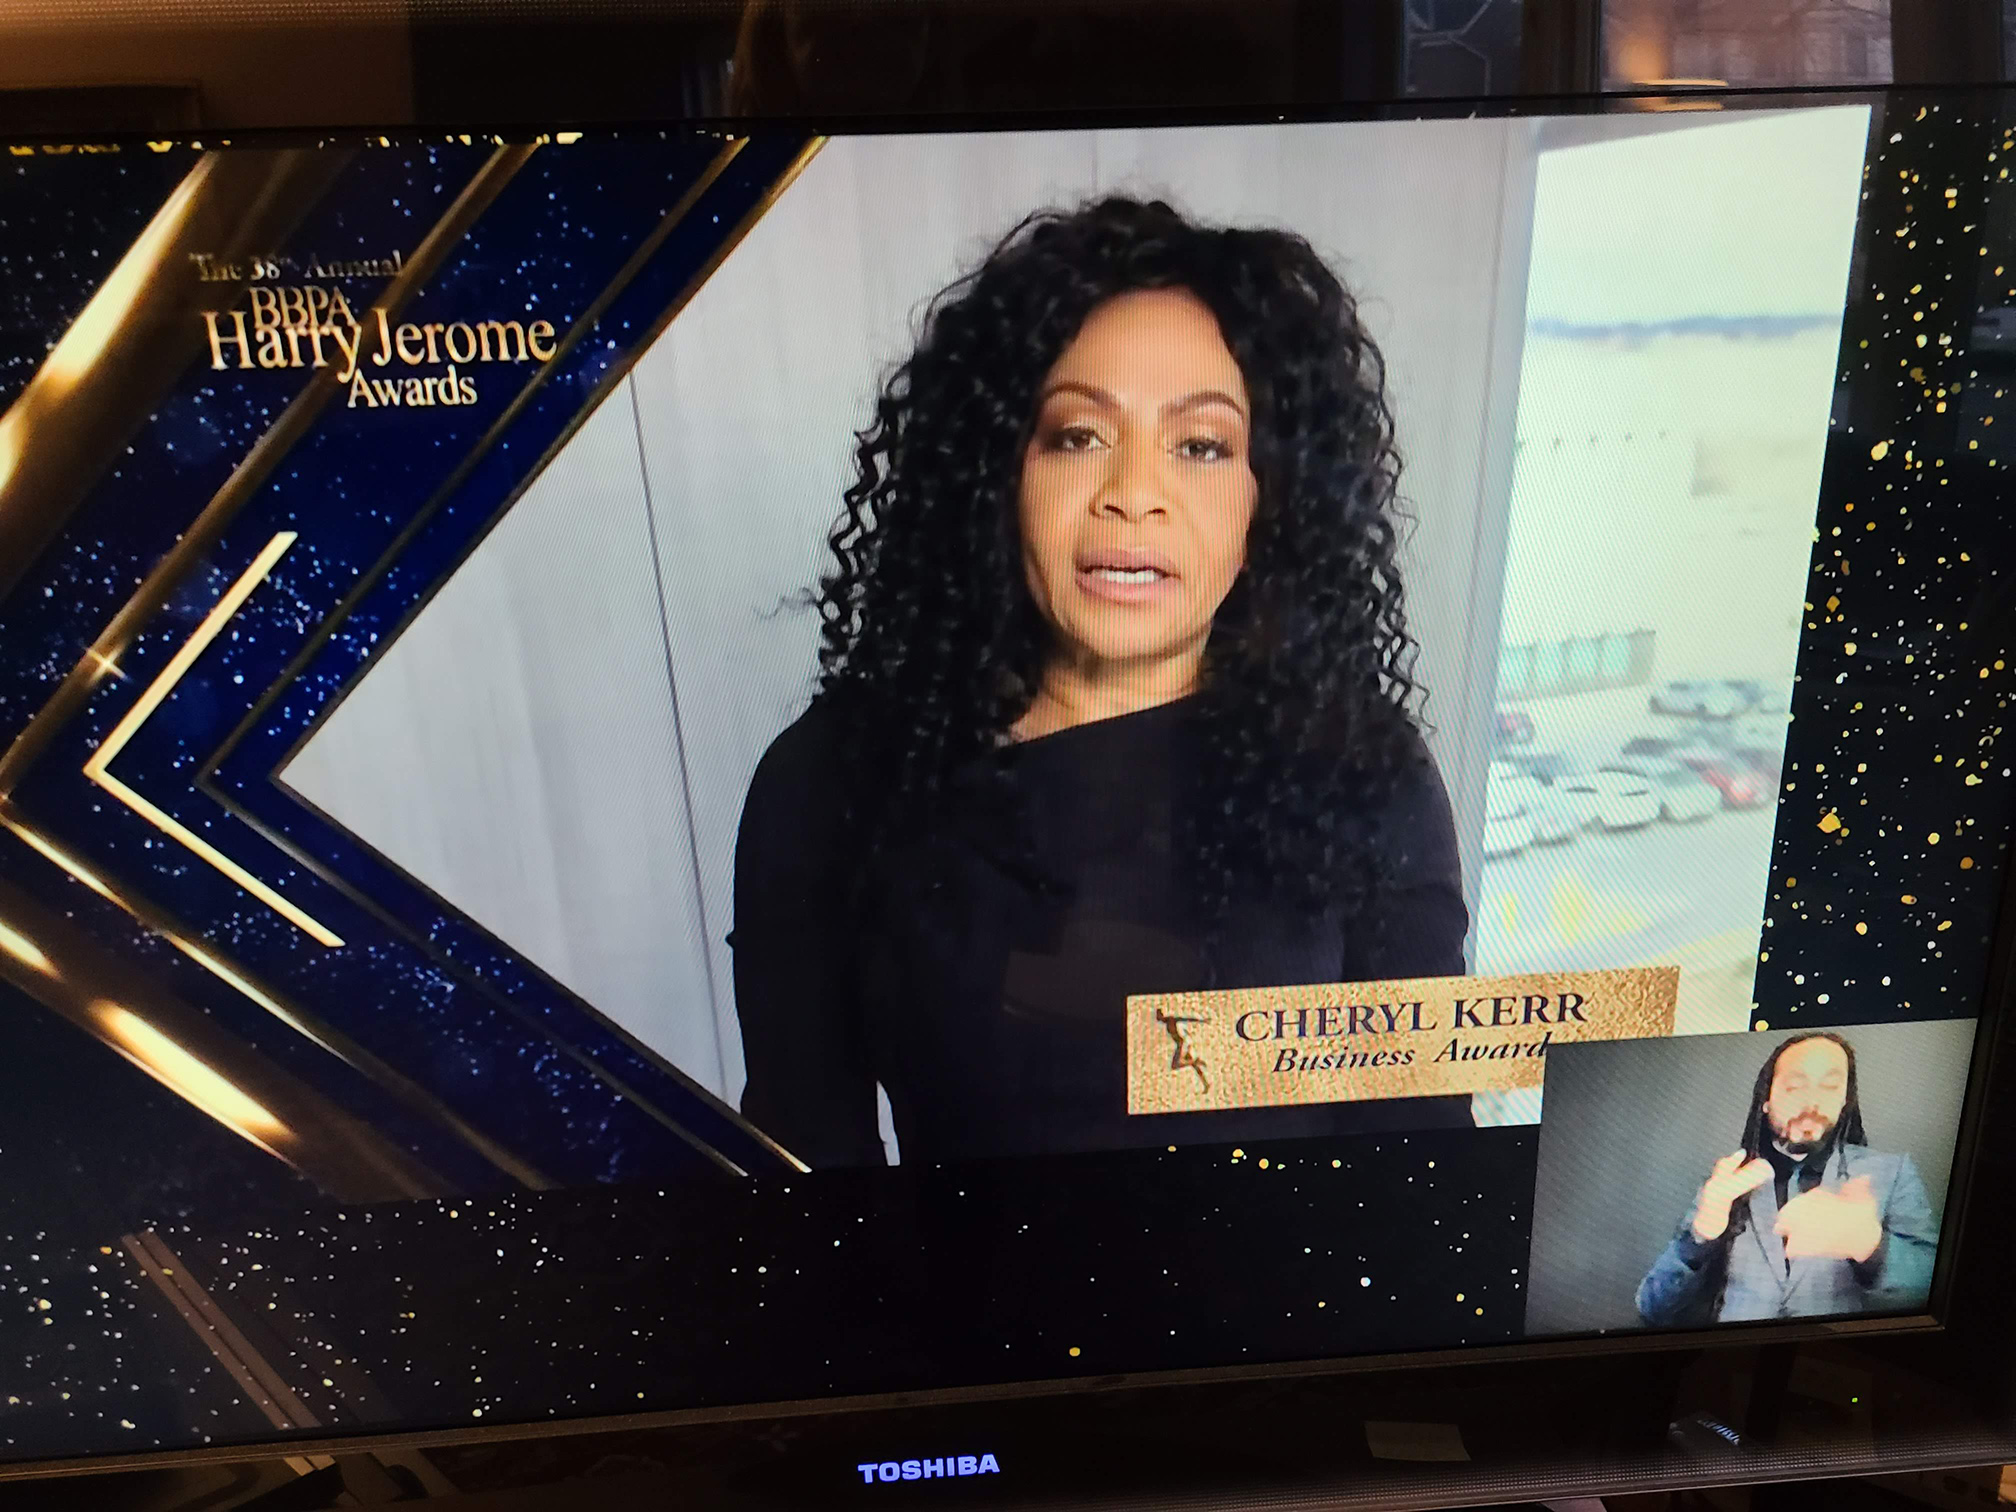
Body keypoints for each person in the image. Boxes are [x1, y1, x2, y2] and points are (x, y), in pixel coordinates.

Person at [730, 197, 1468, 1168]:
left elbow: (1419, 1162)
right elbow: (805, 1174)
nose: (1133, 495)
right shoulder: (835, 779)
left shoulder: (1362, 769)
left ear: (1269, 498)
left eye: (1201, 446)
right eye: (1078, 435)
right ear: (999, 471)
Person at [1636, 1032, 1939, 1326]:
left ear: (1844, 1101)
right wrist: (1699, 1239)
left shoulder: (1892, 1172)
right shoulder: (1726, 1184)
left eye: (1830, 1087)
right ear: (1766, 1099)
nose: (1812, 1103)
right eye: (1795, 1087)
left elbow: (1935, 1286)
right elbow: (1653, 1309)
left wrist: (1872, 1247)